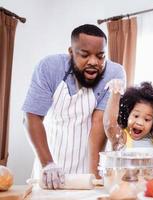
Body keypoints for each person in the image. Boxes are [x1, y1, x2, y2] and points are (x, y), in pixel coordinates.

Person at [22, 24, 126, 189]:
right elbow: (32, 117)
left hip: (86, 174)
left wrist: (95, 179)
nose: (93, 62)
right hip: (48, 165)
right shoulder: (50, 67)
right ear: (71, 52)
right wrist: (48, 164)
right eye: (84, 55)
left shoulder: (113, 73)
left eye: (100, 56)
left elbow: (99, 124)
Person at [103, 79, 153, 150]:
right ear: (128, 114)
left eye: (147, 119)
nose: (139, 122)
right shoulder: (122, 138)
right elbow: (110, 126)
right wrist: (115, 93)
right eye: (136, 116)